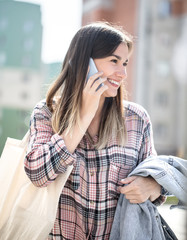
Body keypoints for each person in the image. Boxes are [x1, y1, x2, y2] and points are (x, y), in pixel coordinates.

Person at [24, 22, 164, 240]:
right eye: (114, 61)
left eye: (125, 63)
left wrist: (152, 186)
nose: (123, 73)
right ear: (85, 63)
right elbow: (37, 174)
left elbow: (155, 180)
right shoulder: (47, 112)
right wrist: (83, 117)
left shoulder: (138, 119)